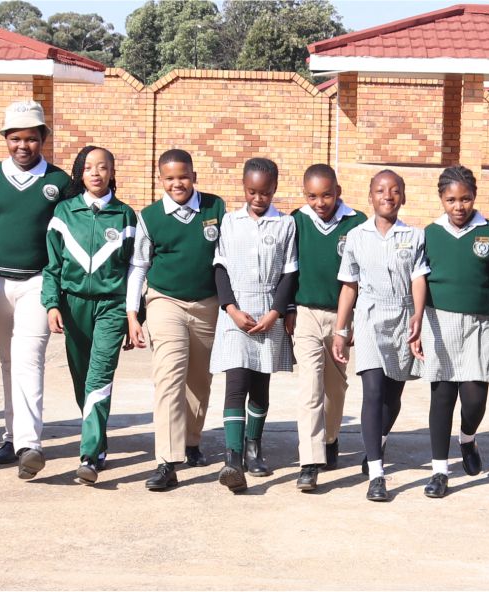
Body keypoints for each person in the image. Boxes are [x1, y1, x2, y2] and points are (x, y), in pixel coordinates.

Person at [0, 99, 73, 475]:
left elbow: (70, 238)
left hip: (39, 282)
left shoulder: (59, 182)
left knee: (28, 358)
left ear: (43, 138)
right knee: (9, 360)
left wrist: (59, 291)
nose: (23, 146)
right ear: (5, 138)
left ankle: (29, 445)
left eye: (32, 138)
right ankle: (12, 436)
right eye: (15, 138)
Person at [129, 149, 225, 492]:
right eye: (169, 178)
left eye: (183, 176)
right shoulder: (150, 217)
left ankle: (191, 441)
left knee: (199, 379)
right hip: (165, 301)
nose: (177, 183)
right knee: (169, 376)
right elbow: (139, 266)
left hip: (207, 304)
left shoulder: (215, 208)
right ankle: (167, 462)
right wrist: (132, 313)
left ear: (194, 176)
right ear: (160, 180)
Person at [331, 169, 428, 502]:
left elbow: (418, 278)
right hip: (369, 316)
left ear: (403, 196)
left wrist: (418, 315)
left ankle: (379, 440)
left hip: (402, 317)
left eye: (395, 190)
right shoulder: (356, 236)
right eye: (381, 190)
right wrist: (341, 330)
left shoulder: (414, 236)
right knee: (372, 391)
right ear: (370, 196)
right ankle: (376, 473)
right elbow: (349, 286)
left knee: (392, 395)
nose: (388, 196)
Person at [43, 146, 138, 485]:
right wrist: (52, 304)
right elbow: (52, 265)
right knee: (82, 378)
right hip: (73, 306)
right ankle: (98, 443)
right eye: (88, 168)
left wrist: (133, 315)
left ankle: (88, 456)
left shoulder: (126, 216)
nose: (96, 173)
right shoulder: (63, 213)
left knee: (99, 376)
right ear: (79, 173)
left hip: (111, 307)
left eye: (103, 167)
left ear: (112, 172)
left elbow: (135, 269)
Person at [209, 158, 298, 494]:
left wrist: (276, 312)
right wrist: (231, 309)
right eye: (252, 191)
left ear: (274, 189)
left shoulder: (285, 224)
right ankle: (232, 458)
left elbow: (289, 272)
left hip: (268, 312)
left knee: (260, 383)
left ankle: (253, 448)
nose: (258, 198)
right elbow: (220, 268)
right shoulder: (229, 223)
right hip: (237, 310)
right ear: (244, 188)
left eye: (265, 192)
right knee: (236, 382)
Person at [419, 165, 489, 499]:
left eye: (465, 199)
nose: (459, 206)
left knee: (474, 399)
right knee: (442, 397)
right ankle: (440, 471)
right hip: (439, 322)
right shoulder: (429, 234)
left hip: (479, 325)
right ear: (441, 199)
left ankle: (467, 438)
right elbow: (417, 281)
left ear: (475, 197)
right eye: (451, 200)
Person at [288, 164, 365, 491]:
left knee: (335, 387)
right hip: (306, 313)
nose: (320, 203)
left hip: (341, 317)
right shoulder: (297, 220)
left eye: (327, 195)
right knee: (310, 386)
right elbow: (288, 269)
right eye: (312, 196)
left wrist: (351, 323)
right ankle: (309, 462)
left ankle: (330, 438)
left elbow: (362, 277)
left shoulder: (357, 223)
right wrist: (288, 308)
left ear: (338, 191)